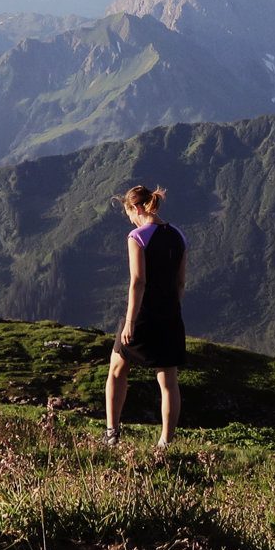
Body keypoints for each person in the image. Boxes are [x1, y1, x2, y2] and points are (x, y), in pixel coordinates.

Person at [105, 184, 186, 448]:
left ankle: (112, 433)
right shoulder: (178, 236)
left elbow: (138, 282)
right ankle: (165, 442)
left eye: (128, 212)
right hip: (170, 314)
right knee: (168, 381)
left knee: (117, 369)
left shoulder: (137, 236)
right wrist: (172, 311)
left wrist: (130, 321)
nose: (129, 218)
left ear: (137, 208)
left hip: (142, 314)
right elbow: (180, 283)